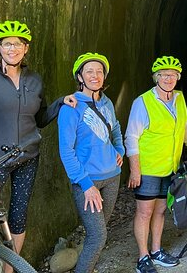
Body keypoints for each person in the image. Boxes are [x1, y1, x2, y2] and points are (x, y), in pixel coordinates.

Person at [0, 20, 66, 272]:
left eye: (18, 44)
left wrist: (62, 102)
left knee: (18, 216)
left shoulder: (35, 80)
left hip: (28, 157)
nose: (12, 48)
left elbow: (40, 119)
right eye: (7, 44)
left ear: (26, 48)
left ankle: (11, 270)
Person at [125, 56, 187, 273]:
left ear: (177, 77)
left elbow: (182, 128)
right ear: (156, 78)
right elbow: (131, 137)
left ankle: (156, 251)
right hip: (149, 167)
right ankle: (143, 257)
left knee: (161, 210)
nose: (168, 78)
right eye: (163, 74)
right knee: (145, 212)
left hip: (170, 167)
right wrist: (135, 169)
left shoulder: (179, 98)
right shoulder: (142, 102)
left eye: (172, 74)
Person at [58, 53, 124, 273]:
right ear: (80, 76)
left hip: (112, 175)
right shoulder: (71, 108)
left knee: (99, 230)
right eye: (89, 71)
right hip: (88, 181)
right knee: (98, 236)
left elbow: (114, 128)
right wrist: (87, 186)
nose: (95, 76)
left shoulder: (106, 102)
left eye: (99, 72)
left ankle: (88, 263)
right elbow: (66, 151)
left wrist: (120, 149)